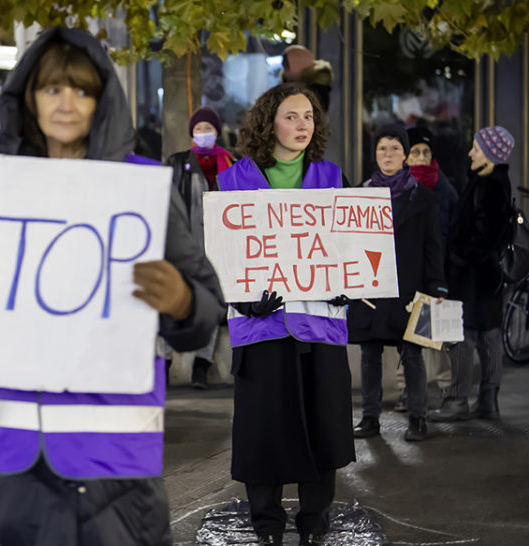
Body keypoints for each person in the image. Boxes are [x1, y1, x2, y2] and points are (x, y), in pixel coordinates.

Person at [0, 27, 222, 545]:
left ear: (102, 100)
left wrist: (182, 301)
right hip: (3, 460)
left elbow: (206, 308)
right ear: (29, 98)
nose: (66, 103)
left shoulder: (141, 187)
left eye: (82, 90)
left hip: (112, 464)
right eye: (52, 88)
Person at [216, 83, 354, 546]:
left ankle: (314, 524)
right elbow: (220, 256)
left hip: (320, 326)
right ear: (268, 123)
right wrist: (242, 300)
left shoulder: (333, 177)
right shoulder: (233, 181)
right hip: (261, 328)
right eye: (291, 116)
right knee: (264, 432)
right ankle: (267, 528)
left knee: (323, 429)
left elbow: (350, 247)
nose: (302, 125)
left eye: (309, 117)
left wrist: (352, 284)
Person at [349, 125, 447, 442]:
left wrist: (437, 286)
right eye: (382, 148)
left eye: (394, 148)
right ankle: (370, 418)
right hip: (370, 289)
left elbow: (433, 246)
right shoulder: (360, 194)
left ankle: (418, 419)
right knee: (369, 354)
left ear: (405, 155)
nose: (388, 154)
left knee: (413, 354)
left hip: (410, 289)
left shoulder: (422, 197)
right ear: (374, 154)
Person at [430, 126, 515, 422]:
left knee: (463, 336)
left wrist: (457, 257)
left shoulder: (488, 186)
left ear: (490, 154)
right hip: (486, 277)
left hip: (473, 276)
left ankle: (457, 400)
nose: (470, 152)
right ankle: (488, 400)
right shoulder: (492, 182)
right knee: (487, 335)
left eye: (476, 148)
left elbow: (483, 236)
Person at [163, 106, 233, 388]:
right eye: (199, 128)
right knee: (170, 297)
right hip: (183, 243)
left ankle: (201, 367)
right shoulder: (178, 162)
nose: (204, 133)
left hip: (217, 245)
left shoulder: (229, 162)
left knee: (211, 300)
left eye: (209, 128)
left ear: (218, 131)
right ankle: (165, 362)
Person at [392, 126, 458, 411]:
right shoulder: (397, 187)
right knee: (405, 337)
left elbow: (450, 233)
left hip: (434, 273)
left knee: (436, 334)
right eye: (416, 152)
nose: (421, 157)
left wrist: (440, 275)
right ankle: (406, 391)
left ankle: (446, 388)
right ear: (406, 156)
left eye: (426, 152)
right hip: (406, 274)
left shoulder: (444, 189)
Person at [281, 45, 333, 113]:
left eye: (287, 68)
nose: (284, 72)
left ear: (297, 65)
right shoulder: (297, 88)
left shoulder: (316, 93)